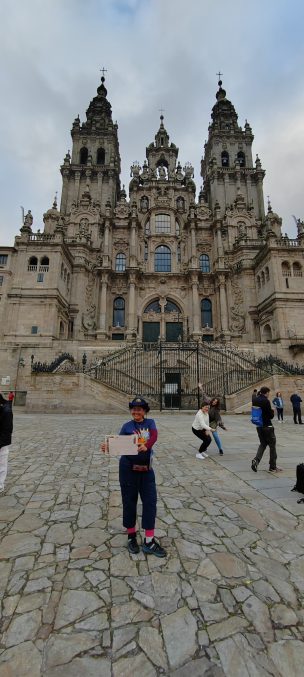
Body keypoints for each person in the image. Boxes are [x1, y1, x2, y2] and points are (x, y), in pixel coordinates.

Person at [100, 397, 166, 558]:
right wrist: (108, 446)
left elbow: (154, 437)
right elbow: (119, 443)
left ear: (145, 411)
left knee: (150, 502)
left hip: (146, 470)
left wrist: (147, 445)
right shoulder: (126, 426)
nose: (136, 411)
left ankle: (149, 540)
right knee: (129, 501)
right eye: (134, 409)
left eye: (140, 409)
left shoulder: (150, 424)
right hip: (128, 469)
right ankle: (131, 537)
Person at [251, 386, 282, 473]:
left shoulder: (255, 399)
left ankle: (256, 460)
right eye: (269, 393)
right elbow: (270, 416)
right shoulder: (266, 401)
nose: (269, 394)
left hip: (259, 426)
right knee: (272, 447)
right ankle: (272, 467)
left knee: (263, 444)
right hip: (267, 426)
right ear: (267, 392)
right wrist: (272, 410)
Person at [0, 393, 13, 492]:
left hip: (2, 443)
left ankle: (0, 485)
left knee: (2, 464)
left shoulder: (6, 411)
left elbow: (7, 430)